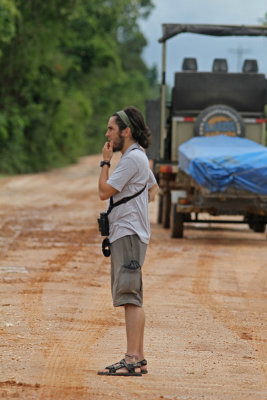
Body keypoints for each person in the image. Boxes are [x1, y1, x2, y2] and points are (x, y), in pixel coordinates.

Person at [97, 106, 159, 376]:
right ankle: (139, 358)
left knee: (130, 297)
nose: (108, 134)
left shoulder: (132, 159)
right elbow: (153, 188)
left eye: (112, 129)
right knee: (133, 295)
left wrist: (105, 162)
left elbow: (103, 191)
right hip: (131, 233)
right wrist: (135, 207)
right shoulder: (138, 158)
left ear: (126, 131)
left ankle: (132, 358)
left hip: (129, 235)